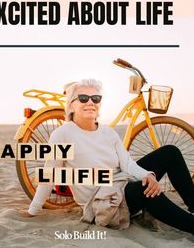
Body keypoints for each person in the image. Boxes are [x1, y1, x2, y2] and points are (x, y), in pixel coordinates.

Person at [21, 79, 194, 234]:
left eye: (96, 99)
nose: (90, 102)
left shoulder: (108, 133)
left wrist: (147, 175)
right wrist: (33, 210)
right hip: (102, 202)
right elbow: (50, 174)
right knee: (144, 190)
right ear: (71, 105)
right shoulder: (62, 134)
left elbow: (127, 164)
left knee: (170, 152)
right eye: (83, 98)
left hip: (123, 183)